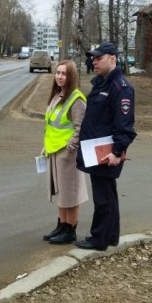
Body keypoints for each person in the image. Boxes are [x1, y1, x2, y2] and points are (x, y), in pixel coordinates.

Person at [74, 43, 136, 251]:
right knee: (108, 194)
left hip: (106, 151)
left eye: (98, 58)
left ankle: (98, 238)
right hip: (96, 150)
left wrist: (117, 151)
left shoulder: (120, 87)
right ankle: (110, 236)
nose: (94, 61)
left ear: (112, 58)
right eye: (93, 58)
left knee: (103, 198)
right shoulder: (101, 83)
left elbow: (124, 125)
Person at [41, 60, 89, 244]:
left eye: (64, 74)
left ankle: (70, 230)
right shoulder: (57, 95)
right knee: (61, 191)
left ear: (71, 77)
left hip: (67, 154)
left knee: (71, 192)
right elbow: (52, 124)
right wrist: (46, 145)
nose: (60, 76)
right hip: (54, 150)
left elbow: (80, 127)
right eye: (58, 73)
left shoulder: (76, 99)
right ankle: (61, 225)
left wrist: (70, 148)